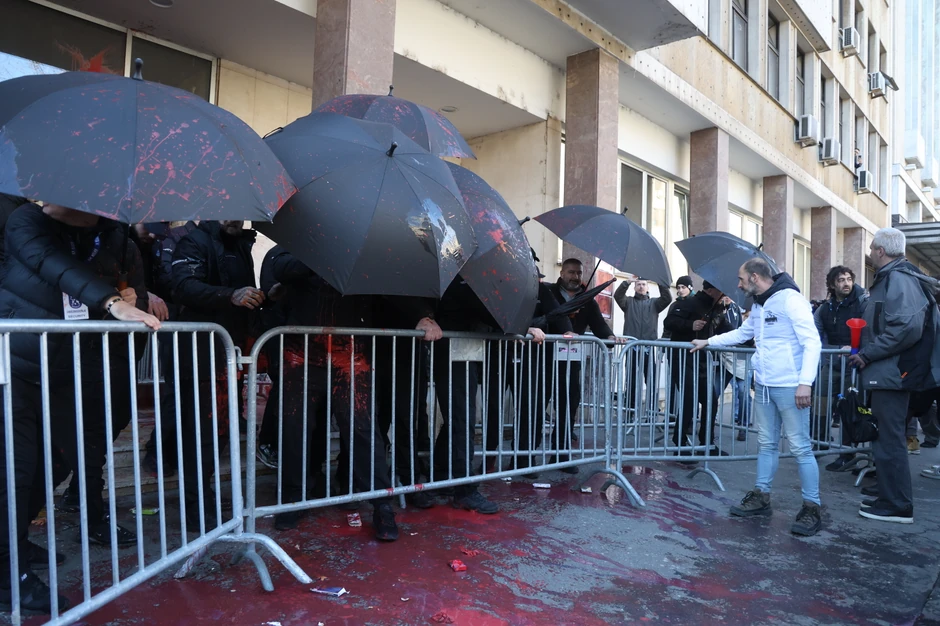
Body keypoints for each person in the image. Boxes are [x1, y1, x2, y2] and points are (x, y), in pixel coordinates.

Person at [0, 203, 160, 614]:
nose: (46, 198)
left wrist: (131, 299)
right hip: (16, 363)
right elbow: (51, 265)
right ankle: (7, 573)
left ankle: (15, 544)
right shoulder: (25, 220)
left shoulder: (115, 238)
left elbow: (132, 298)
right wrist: (111, 301)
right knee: (15, 470)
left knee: (52, 465)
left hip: (68, 370)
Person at [264, 248, 421, 539]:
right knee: (295, 428)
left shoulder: (367, 249)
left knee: (363, 429)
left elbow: (392, 288)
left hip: (350, 351)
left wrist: (422, 316)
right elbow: (280, 268)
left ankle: (381, 505)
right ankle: (292, 499)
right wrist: (323, 256)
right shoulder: (302, 241)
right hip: (301, 351)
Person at [692, 259, 822, 537]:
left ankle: (812, 506)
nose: (738, 286)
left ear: (754, 277)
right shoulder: (760, 305)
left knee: (800, 447)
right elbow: (744, 333)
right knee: (766, 443)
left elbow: (812, 342)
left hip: (790, 386)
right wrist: (709, 341)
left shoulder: (791, 300)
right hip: (763, 385)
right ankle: (761, 495)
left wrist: (805, 383)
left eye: (741, 280)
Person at [172, 220, 265, 530]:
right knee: (201, 433)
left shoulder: (241, 245)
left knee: (220, 432)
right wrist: (230, 295)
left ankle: (203, 498)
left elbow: (241, 297)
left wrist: (266, 297)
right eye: (229, 212)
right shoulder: (194, 241)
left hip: (228, 355)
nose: (234, 218)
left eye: (240, 213)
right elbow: (183, 286)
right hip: (201, 355)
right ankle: (196, 506)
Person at [849, 228, 940, 524]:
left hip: (893, 373)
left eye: (871, 248)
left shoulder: (899, 278)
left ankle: (897, 504)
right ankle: (889, 496)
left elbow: (906, 328)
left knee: (889, 439)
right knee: (886, 437)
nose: (870, 253)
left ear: (880, 250)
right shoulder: (895, 277)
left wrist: (868, 353)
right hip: (888, 372)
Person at [548, 258, 620, 472]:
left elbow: (600, 326)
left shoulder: (587, 300)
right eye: (571, 272)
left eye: (579, 273)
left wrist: (611, 337)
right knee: (535, 406)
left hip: (570, 362)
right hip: (543, 358)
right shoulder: (549, 293)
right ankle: (525, 458)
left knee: (568, 406)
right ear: (562, 273)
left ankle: (560, 455)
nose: (576, 277)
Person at [663, 280, 732, 460]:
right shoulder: (689, 303)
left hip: (701, 361)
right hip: (682, 358)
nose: (724, 294)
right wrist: (690, 325)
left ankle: (707, 443)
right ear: (710, 290)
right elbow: (669, 321)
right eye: (721, 290)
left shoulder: (716, 309)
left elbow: (728, 330)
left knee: (711, 400)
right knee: (689, 400)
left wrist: (750, 341)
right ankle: (680, 444)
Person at [813, 266, 867, 472]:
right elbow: (814, 334)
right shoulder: (825, 308)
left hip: (853, 365)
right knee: (820, 403)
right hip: (832, 363)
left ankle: (847, 454)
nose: (846, 283)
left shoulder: (862, 303)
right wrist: (829, 352)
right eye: (841, 280)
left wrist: (856, 349)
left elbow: (869, 332)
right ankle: (819, 443)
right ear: (832, 284)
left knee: (848, 408)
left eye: (849, 279)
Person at [614, 277, 672, 413]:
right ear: (634, 287)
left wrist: (660, 282)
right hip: (632, 347)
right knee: (631, 380)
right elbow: (618, 295)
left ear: (648, 287)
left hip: (648, 348)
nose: (641, 286)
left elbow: (667, 298)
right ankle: (630, 409)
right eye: (638, 284)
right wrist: (627, 282)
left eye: (644, 284)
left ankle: (652, 409)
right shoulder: (628, 302)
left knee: (651, 380)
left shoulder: (655, 303)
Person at [713, 295, 750, 442]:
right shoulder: (716, 309)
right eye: (724, 294)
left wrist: (749, 343)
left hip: (738, 357)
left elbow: (740, 332)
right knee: (713, 392)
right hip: (721, 357)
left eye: (729, 294)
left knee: (743, 392)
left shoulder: (736, 309)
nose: (727, 297)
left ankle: (743, 426)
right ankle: (709, 424)